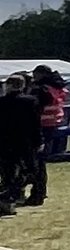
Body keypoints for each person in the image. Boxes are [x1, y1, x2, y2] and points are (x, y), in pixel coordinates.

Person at [0, 77, 41, 216]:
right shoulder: (30, 101)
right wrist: (39, 140)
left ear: (9, 86)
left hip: (5, 141)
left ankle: (7, 198)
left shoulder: (1, 102)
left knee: (8, 172)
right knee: (30, 171)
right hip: (25, 141)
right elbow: (36, 123)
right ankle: (12, 194)